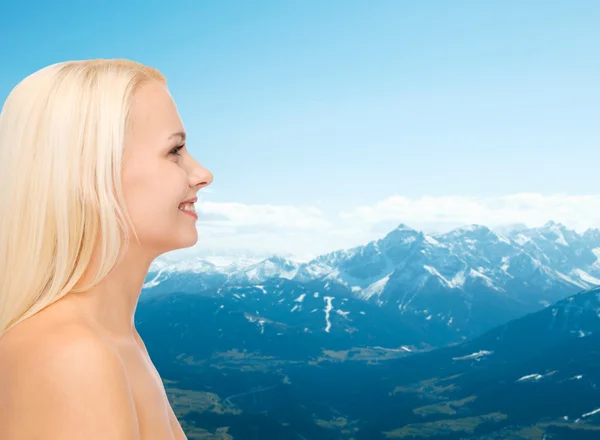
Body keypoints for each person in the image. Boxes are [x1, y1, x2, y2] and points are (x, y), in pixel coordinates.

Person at [0, 59, 213, 439]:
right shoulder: (69, 356)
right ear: (92, 174)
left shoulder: (113, 339)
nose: (202, 174)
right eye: (175, 150)